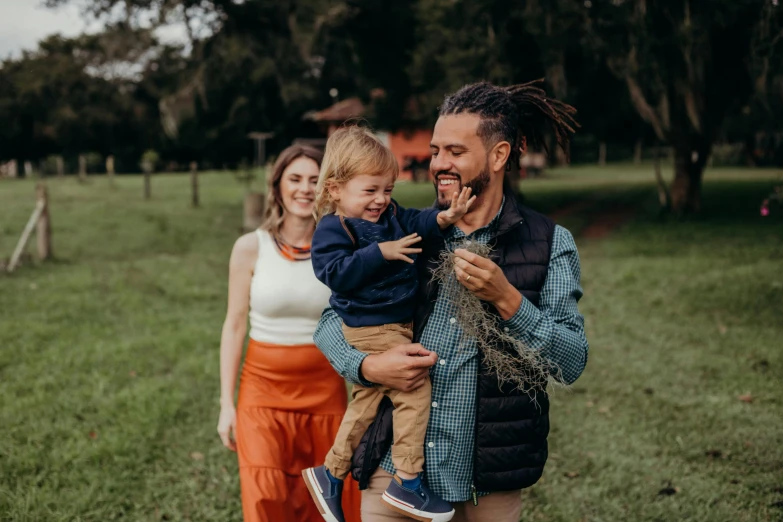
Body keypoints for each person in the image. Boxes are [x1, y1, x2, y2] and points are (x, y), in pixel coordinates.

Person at [314, 80, 589, 522]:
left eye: (455, 152)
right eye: (436, 150)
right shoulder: (400, 226)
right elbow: (330, 321)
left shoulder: (550, 243)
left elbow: (571, 361)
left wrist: (508, 299)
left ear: (499, 156)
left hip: (488, 480)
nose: (438, 164)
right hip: (394, 474)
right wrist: (366, 366)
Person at [301, 127, 475, 522]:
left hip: (392, 325)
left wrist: (443, 218)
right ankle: (407, 482)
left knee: (367, 399)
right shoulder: (334, 228)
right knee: (413, 389)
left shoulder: (391, 214)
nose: (382, 200)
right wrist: (381, 252)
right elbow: (333, 272)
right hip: (370, 326)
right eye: (370, 190)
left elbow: (417, 222)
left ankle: (330, 473)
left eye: (388, 189)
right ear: (334, 189)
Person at [216, 144, 361, 522]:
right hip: (261, 391)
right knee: (266, 496)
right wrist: (225, 404)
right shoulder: (250, 248)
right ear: (277, 186)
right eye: (294, 179)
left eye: (314, 180)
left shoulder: (343, 250)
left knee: (323, 500)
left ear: (327, 187)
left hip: (324, 391)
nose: (304, 188)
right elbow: (234, 325)